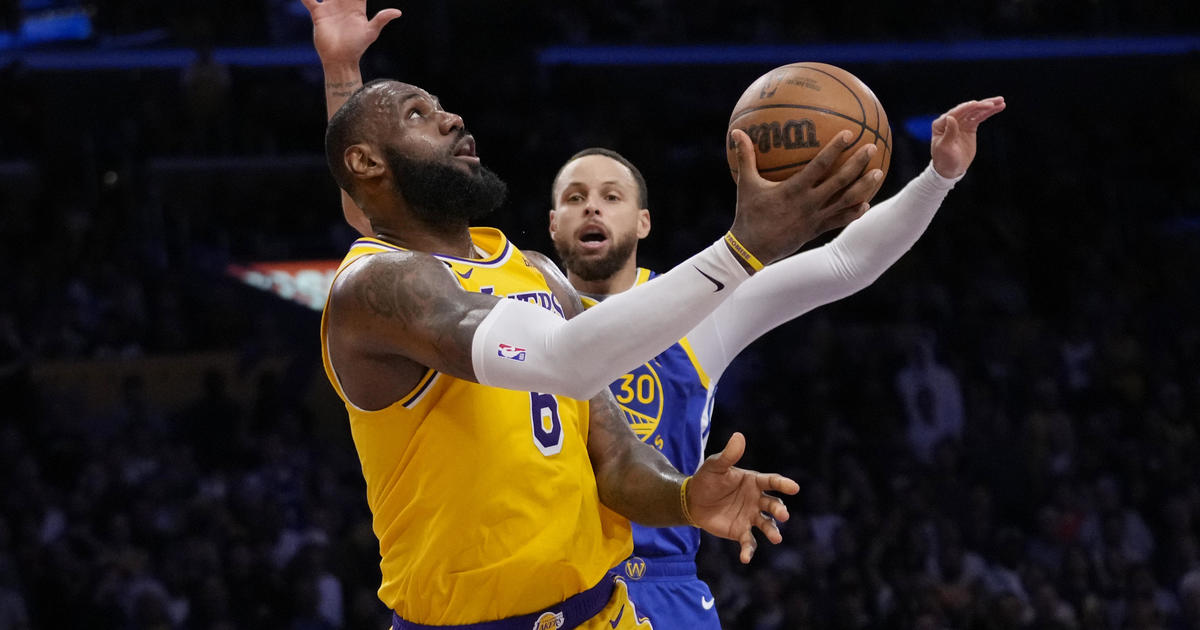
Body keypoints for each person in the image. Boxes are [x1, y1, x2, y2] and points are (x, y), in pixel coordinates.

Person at [302, 1, 883, 628]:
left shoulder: (534, 269)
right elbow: (561, 361)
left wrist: (686, 497)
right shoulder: (375, 288)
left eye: (441, 106)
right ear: (366, 164)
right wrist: (741, 251)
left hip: (604, 614)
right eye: (419, 113)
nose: (451, 118)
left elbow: (616, 460)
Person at [546, 97, 1004, 627]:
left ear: (644, 221)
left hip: (658, 591)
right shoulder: (518, 315)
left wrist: (937, 178)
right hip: (547, 589)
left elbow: (845, 261)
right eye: (575, 198)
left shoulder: (699, 308)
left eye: (611, 196)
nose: (592, 208)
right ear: (553, 225)